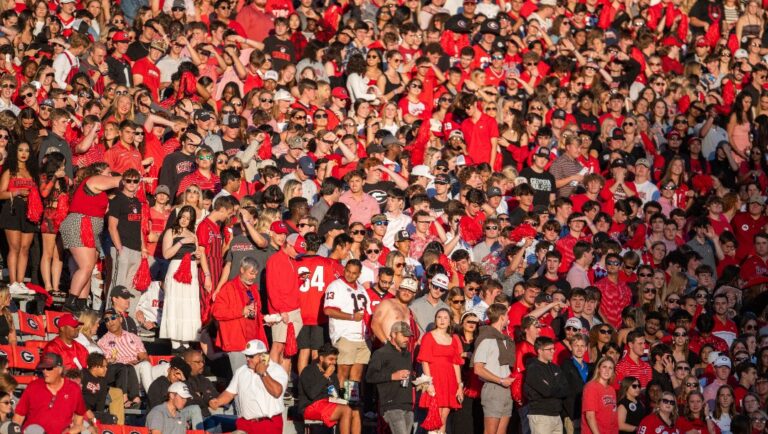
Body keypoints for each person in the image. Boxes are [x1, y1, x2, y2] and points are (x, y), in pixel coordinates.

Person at [209, 339, 289, 434]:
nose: (247, 359)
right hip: (245, 424)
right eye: (246, 356)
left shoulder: (276, 370)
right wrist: (218, 401)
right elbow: (230, 393)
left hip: (268, 424)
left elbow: (277, 392)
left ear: (262, 356)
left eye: (251, 356)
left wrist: (264, 374)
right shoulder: (241, 371)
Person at [324, 259, 370, 402]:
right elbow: (328, 310)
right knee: (343, 373)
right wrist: (351, 317)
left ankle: (351, 402)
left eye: (354, 273)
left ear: (359, 274)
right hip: (345, 335)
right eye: (348, 271)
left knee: (356, 376)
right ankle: (341, 403)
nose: (350, 275)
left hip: (362, 338)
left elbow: (367, 313)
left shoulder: (362, 288)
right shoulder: (335, 286)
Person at [212, 257, 268, 373]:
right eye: (251, 273)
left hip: (253, 341)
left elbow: (255, 313)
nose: (253, 277)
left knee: (256, 375)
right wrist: (240, 311)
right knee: (240, 376)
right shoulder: (228, 288)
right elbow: (217, 312)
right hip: (236, 341)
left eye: (255, 274)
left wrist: (264, 319)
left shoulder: (253, 289)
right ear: (242, 270)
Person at [12, 353, 89, 434]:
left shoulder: (74, 389)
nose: (44, 371)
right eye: (43, 368)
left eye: (49, 368)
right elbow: (19, 416)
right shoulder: (33, 386)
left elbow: (79, 414)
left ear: (60, 369)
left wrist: (74, 429)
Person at [160, 205, 202, 350]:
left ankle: (186, 339)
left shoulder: (193, 234)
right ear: (179, 217)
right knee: (175, 303)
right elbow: (166, 254)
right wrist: (181, 242)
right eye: (183, 217)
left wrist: (198, 257)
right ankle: (175, 341)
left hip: (190, 270)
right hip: (176, 268)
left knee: (188, 305)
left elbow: (197, 259)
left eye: (188, 218)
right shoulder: (171, 232)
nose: (184, 220)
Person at [366, 321, 415, 434]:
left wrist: (419, 383)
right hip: (391, 404)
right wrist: (392, 376)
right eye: (404, 335)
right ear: (393, 334)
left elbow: (407, 378)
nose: (407, 339)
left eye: (408, 336)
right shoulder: (381, 353)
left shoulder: (407, 354)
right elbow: (370, 377)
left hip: (407, 404)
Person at [418, 308, 464, 428]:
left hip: (450, 381)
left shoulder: (453, 339)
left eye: (445, 318)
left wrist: (459, 385)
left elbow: (456, 363)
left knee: (444, 417)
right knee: (435, 415)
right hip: (435, 379)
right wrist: (429, 383)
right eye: (439, 317)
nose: (442, 320)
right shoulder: (428, 337)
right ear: (435, 320)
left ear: (450, 321)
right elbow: (424, 361)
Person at [474, 303, 516, 434]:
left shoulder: (504, 339)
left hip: (505, 389)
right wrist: (500, 380)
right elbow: (478, 369)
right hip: (493, 388)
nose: (509, 318)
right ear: (502, 317)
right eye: (507, 315)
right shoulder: (486, 338)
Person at [297, 343, 355, 434]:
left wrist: (341, 400)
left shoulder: (333, 374)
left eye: (335, 359)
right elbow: (312, 394)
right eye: (331, 359)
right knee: (346, 411)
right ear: (321, 358)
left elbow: (335, 394)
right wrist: (326, 375)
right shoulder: (308, 371)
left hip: (328, 403)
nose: (334, 362)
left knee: (354, 410)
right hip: (310, 406)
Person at [525, 336, 568, 434]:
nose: (553, 351)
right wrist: (556, 388)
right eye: (549, 349)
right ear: (540, 351)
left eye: (554, 349)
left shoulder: (556, 368)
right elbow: (546, 391)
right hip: (541, 416)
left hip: (556, 415)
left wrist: (552, 387)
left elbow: (565, 389)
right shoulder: (533, 369)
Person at [582, 357, 619, 434]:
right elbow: (590, 416)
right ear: (598, 369)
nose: (607, 370)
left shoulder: (611, 390)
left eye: (610, 368)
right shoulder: (591, 387)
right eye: (604, 367)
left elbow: (614, 416)